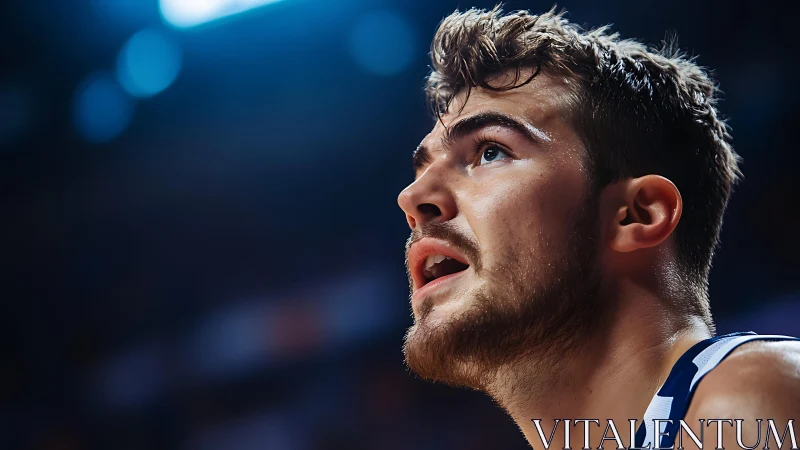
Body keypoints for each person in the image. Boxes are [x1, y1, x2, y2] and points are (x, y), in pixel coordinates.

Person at [397, 6, 800, 449]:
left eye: (490, 152)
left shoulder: (746, 396)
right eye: (422, 169)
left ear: (637, 214)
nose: (412, 198)